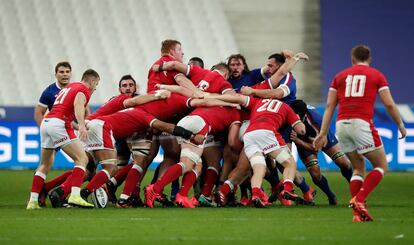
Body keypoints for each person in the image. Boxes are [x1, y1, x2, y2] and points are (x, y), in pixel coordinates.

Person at [314, 45, 406, 222]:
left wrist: (323, 132)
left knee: (358, 168)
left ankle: (357, 214)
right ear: (369, 59)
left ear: (352, 59)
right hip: (361, 122)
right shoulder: (376, 75)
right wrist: (400, 124)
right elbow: (388, 103)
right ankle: (360, 200)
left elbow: (329, 106)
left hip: (341, 124)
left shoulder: (339, 76)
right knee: (381, 165)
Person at [26, 69, 101, 209]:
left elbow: (62, 110)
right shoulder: (83, 89)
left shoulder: (70, 86)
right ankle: (75, 195)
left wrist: (77, 127)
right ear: (91, 81)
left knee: (45, 164)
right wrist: (82, 125)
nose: (95, 87)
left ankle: (33, 201)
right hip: (59, 124)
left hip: (47, 123)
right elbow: (78, 105)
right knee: (82, 159)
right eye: (96, 84)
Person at [289, 100, 353, 205]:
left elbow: (316, 148)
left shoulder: (316, 121)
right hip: (302, 139)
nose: (295, 122)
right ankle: (331, 196)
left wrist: (297, 140)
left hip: (322, 136)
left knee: (344, 163)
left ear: (304, 115)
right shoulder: (288, 116)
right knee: (315, 173)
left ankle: (356, 192)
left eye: (297, 119)